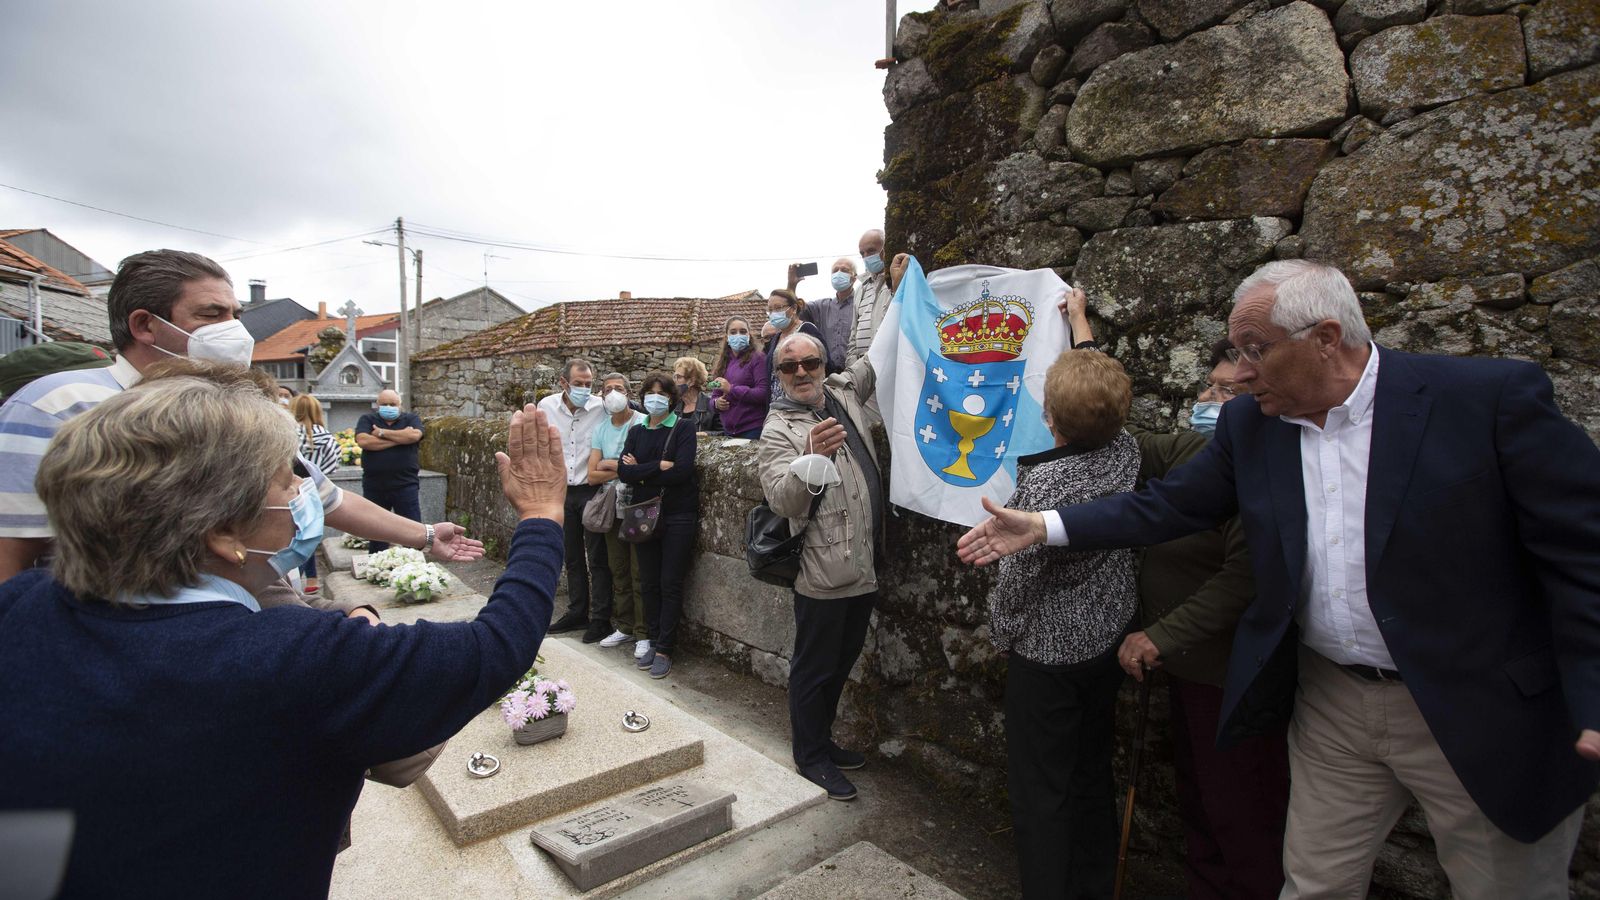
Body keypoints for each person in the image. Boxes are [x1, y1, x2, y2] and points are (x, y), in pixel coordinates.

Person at [957, 259, 1600, 899]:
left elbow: (1582, 553)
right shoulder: (1252, 425)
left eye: (1254, 352)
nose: (1237, 374)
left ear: (1325, 339)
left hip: (1474, 701)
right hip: (1334, 704)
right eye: (1236, 353)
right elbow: (1169, 506)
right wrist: (1044, 526)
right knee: (1313, 882)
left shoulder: (1486, 401)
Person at [0, 373, 567, 898]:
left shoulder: (21, 607)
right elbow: (493, 648)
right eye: (287, 478)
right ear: (224, 533)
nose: (306, 490)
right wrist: (541, 515)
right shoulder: (288, 657)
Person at [0, 249, 482, 584]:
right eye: (211, 315)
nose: (233, 330)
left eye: (235, 314)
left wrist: (422, 535)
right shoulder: (57, 405)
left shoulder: (241, 413)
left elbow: (324, 496)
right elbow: (13, 560)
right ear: (145, 324)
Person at [1063, 290, 1289, 899]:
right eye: (1210, 389)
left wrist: (1161, 635)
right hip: (1186, 672)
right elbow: (1104, 420)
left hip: (1230, 675)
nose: (1213, 401)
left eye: (1230, 392)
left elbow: (1244, 578)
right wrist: (1079, 327)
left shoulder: (1265, 468)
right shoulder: (1190, 453)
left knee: (1241, 813)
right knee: (1200, 803)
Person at [987, 348, 1140, 899]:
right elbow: (1101, 397)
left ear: (1049, 418)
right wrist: (1081, 327)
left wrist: (1003, 634)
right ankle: (1095, 884)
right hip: (1109, 634)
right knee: (1090, 773)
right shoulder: (1126, 450)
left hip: (1048, 657)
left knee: (1041, 789)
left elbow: (1018, 580)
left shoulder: (1045, 489)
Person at [756, 332, 881, 802]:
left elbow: (881, 351)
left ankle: (823, 741)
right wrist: (810, 458)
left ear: (823, 363)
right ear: (779, 375)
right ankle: (809, 756)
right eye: (790, 368)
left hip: (864, 564)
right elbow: (782, 499)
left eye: (810, 362)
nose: (802, 372)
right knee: (815, 669)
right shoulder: (777, 430)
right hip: (822, 571)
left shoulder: (844, 392)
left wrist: (899, 285)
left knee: (842, 662)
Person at [617, 372, 699, 680]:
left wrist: (640, 470)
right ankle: (651, 639)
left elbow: (682, 471)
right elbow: (623, 473)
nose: (655, 398)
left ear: (671, 398)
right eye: (650, 393)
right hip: (641, 513)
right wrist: (656, 467)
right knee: (648, 582)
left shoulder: (683, 428)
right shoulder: (637, 430)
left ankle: (665, 647)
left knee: (670, 582)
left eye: (661, 393)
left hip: (677, 514)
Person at [537, 358, 611, 639]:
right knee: (571, 555)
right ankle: (577, 611)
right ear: (563, 383)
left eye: (588, 384)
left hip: (591, 489)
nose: (584, 389)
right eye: (578, 384)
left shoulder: (600, 407)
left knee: (598, 557)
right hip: (560, 490)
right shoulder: (546, 406)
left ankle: (601, 618)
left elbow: (626, 422)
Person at [588, 372, 648, 657]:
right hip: (611, 504)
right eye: (608, 389)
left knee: (640, 570)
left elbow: (641, 467)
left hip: (636, 504)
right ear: (601, 396)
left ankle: (643, 632)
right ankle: (624, 626)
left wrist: (610, 466)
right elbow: (590, 475)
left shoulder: (641, 422)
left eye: (619, 388)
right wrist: (621, 465)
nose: (613, 393)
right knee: (619, 567)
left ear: (629, 392)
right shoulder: (601, 428)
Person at [787, 230, 911, 367]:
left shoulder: (885, 287)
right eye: (835, 271)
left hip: (881, 364)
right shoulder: (823, 306)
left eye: (844, 270)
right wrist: (792, 284)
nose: (866, 256)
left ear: (854, 277)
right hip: (845, 372)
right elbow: (792, 311)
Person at [354, 389, 424, 553]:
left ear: (400, 405)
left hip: (405, 484)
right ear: (377, 405)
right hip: (375, 486)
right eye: (384, 404)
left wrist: (382, 433)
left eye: (392, 404)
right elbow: (364, 441)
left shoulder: (411, 418)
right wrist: (401, 439)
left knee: (412, 529)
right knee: (376, 531)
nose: (388, 407)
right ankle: (377, 566)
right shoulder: (367, 419)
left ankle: (413, 565)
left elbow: (414, 436)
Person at [291, 393, 341, 595]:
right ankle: (311, 578)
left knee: (293, 539)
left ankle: (297, 580)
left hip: (291, 493)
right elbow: (332, 465)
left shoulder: (287, 433)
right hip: (315, 493)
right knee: (309, 535)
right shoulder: (326, 437)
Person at [708, 315, 769, 440]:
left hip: (753, 429)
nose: (738, 335)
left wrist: (731, 389)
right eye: (733, 332)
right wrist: (716, 403)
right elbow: (714, 395)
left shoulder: (758, 358)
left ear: (749, 335)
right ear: (727, 336)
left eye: (742, 331)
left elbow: (763, 393)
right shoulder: (723, 362)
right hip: (728, 430)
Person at [764, 289, 824, 404]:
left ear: (793, 309)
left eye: (778, 308)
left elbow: (824, 363)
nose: (773, 313)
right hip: (777, 405)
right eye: (770, 310)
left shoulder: (807, 329)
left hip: (802, 402)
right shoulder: (776, 338)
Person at [672, 356, 721, 434]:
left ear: (692, 381)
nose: (675, 381)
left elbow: (723, 433)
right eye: (674, 377)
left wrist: (707, 434)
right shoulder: (672, 405)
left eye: (679, 377)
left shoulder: (711, 405)